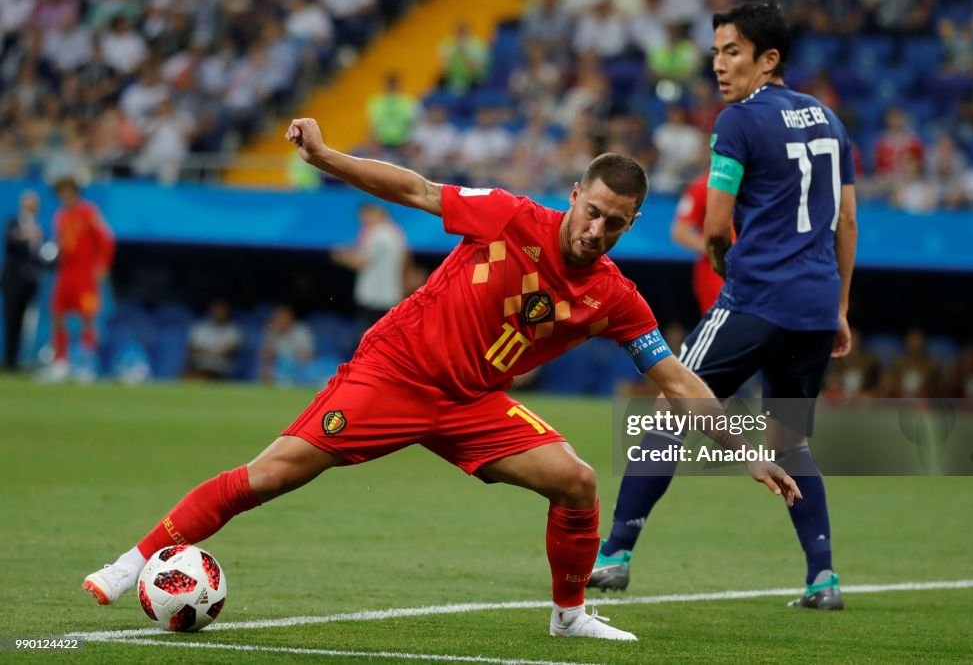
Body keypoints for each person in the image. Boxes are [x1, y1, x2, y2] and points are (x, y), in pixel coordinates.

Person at [83, 117, 801, 641]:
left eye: (614, 223)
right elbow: (418, 189)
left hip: (471, 402)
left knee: (577, 480)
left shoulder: (615, 295)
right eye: (591, 212)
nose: (596, 230)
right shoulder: (508, 217)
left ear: (631, 222)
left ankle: (570, 613)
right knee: (270, 475)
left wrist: (745, 448)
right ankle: (132, 562)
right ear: (576, 193)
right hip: (394, 371)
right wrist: (328, 156)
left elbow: (676, 379)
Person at [590, 1, 857, 612]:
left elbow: (715, 224)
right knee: (790, 442)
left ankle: (614, 556)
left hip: (757, 298)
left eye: (731, 51)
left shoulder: (737, 121)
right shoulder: (831, 121)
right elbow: (846, 220)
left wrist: (719, 261)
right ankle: (823, 578)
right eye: (715, 51)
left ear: (769, 59)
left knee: (666, 414)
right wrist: (840, 305)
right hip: (816, 308)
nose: (718, 64)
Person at [44, 177, 116, 381]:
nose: (65, 196)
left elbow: (107, 239)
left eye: (68, 191)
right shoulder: (60, 216)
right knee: (57, 316)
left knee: (87, 318)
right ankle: (61, 362)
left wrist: (102, 265)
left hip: (85, 275)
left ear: (75, 192)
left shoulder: (89, 212)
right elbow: (61, 244)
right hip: (66, 274)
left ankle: (86, 363)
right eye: (61, 192)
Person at [330, 203, 408, 331]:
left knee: (368, 340)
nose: (362, 219)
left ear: (377, 212)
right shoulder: (396, 232)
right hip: (390, 297)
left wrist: (341, 256)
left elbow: (361, 262)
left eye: (365, 214)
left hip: (374, 298)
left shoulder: (378, 233)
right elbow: (405, 262)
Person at [1, 190, 45, 371]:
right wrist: (26, 235)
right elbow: (11, 242)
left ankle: (23, 360)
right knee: (11, 320)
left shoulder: (39, 228)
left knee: (28, 322)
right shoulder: (14, 222)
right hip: (13, 281)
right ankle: (9, 361)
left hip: (31, 282)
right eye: (29, 203)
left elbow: (39, 256)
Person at [671, 170, 723, 317]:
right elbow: (680, 232)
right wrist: (723, 250)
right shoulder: (703, 185)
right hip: (716, 274)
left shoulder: (761, 183)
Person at [184, 299, 243, 381]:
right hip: (200, 366)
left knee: (203, 376)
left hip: (222, 369)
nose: (218, 313)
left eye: (221, 310)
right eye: (216, 310)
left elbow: (227, 352)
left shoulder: (233, 330)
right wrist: (214, 352)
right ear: (211, 311)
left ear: (227, 312)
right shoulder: (200, 328)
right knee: (188, 376)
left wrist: (205, 351)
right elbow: (193, 350)